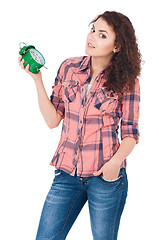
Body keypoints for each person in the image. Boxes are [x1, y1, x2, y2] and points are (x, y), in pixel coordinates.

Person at [18, 10, 141, 240]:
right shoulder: (69, 68)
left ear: (117, 46)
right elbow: (53, 120)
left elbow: (130, 133)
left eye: (102, 35)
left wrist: (114, 164)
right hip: (66, 174)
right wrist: (37, 80)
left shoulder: (128, 82)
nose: (92, 37)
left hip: (105, 177)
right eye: (93, 30)